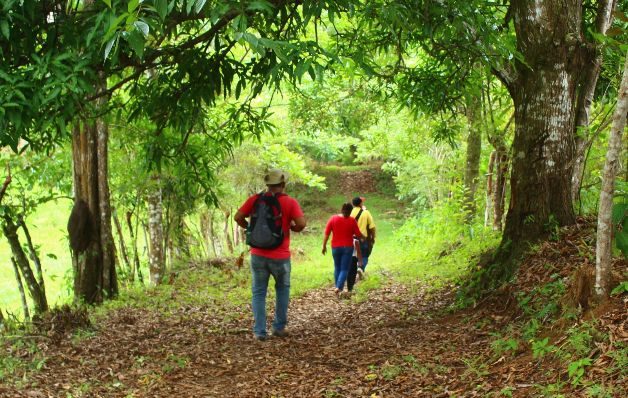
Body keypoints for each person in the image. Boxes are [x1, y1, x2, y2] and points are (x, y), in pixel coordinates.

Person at [234, 169, 306, 341]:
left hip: (258, 255)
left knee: (259, 292)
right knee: (282, 289)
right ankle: (279, 327)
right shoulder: (290, 202)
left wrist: (249, 228)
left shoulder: (255, 199)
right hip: (280, 256)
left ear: (268, 185)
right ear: (283, 184)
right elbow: (301, 223)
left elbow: (238, 217)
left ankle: (259, 331)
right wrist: (291, 228)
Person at [322, 203, 363, 296]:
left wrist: (324, 246)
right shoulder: (352, 220)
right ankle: (339, 287)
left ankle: (337, 287)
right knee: (344, 269)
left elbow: (327, 234)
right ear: (351, 211)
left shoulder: (333, 219)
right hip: (348, 248)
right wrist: (363, 238)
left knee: (337, 267)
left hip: (335, 247)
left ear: (341, 210)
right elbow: (358, 234)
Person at [350, 196, 376, 273]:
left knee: (353, 256)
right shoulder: (366, 212)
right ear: (360, 203)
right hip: (362, 238)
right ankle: (360, 268)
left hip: (350, 239)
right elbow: (372, 227)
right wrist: (373, 237)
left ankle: (352, 272)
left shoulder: (350, 212)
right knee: (364, 255)